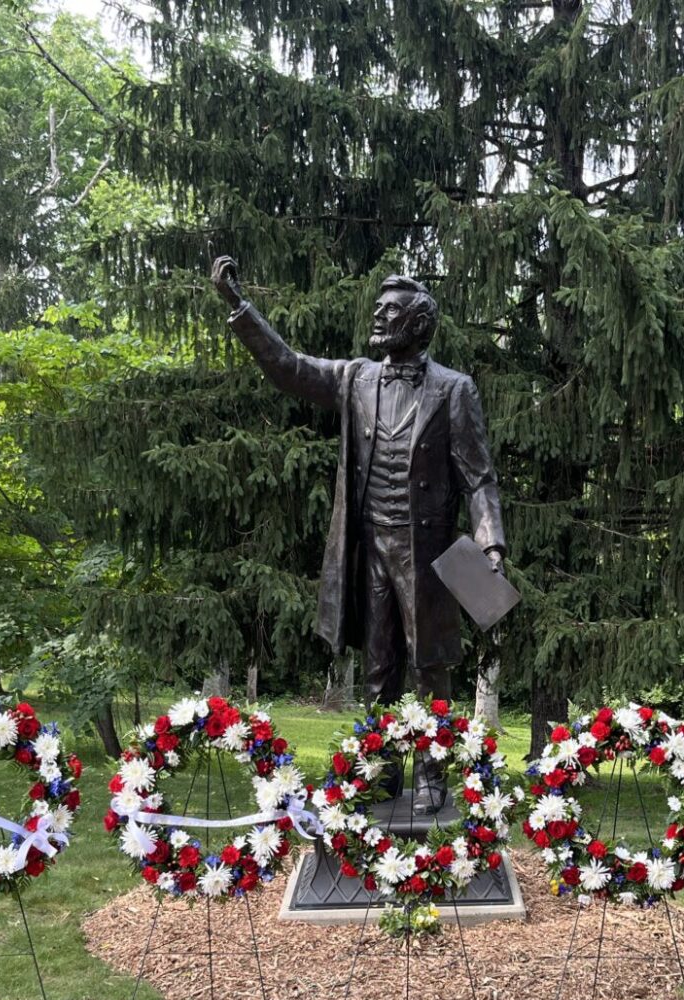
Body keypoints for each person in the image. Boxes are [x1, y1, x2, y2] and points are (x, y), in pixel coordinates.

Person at [210, 256, 507, 811]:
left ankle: (432, 774)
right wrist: (239, 307)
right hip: (368, 545)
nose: (378, 316)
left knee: (428, 665)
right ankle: (381, 767)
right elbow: (289, 367)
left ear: (418, 324)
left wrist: (490, 542)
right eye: (378, 308)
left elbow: (479, 477)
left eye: (390, 311)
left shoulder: (454, 389)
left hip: (428, 552)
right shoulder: (355, 379)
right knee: (378, 665)